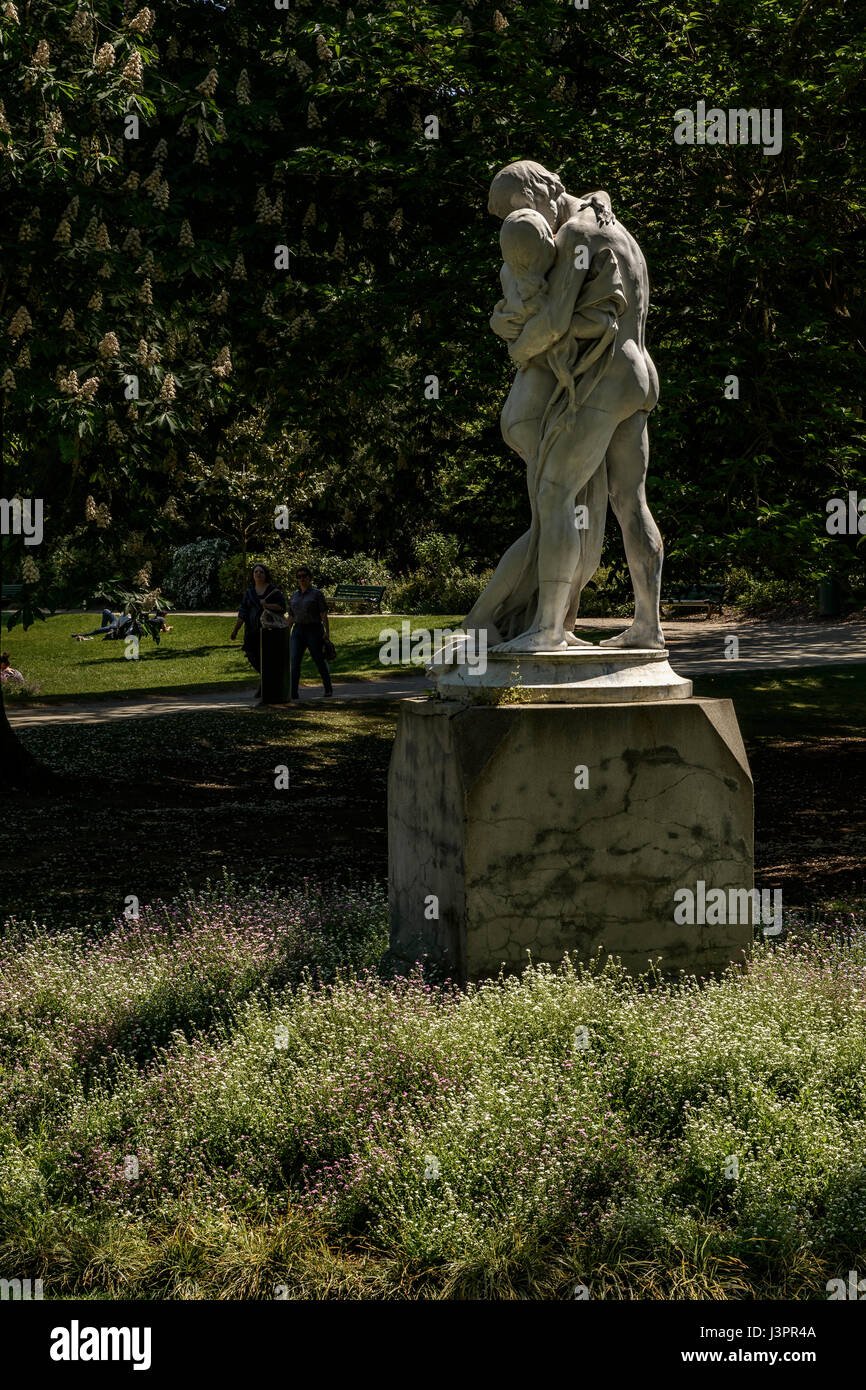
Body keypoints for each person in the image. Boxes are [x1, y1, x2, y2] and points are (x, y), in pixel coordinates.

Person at [463, 160, 664, 654]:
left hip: (604, 378)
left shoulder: (577, 232)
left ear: (547, 189)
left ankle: (550, 630)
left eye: (523, 211)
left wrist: (517, 346)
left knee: (555, 492)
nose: (524, 228)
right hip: (638, 377)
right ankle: (647, 625)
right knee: (629, 502)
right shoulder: (616, 228)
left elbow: (553, 324)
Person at [230, 564, 287, 698]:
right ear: (252, 575)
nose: (258, 574)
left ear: (265, 574)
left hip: (268, 631)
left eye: (261, 572)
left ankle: (265, 685)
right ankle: (266, 679)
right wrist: (235, 630)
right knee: (251, 654)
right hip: (251, 630)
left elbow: (282, 607)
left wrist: (266, 605)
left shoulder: (273, 591)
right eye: (256, 572)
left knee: (266, 657)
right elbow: (243, 612)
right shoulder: (249, 593)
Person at [288, 566, 333, 702]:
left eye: (304, 576)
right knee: (295, 661)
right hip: (297, 630)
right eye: (299, 576)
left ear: (309, 578)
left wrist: (326, 632)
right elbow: (290, 616)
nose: (302, 579)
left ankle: (328, 688)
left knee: (319, 660)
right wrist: (284, 631)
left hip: (314, 630)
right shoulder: (294, 595)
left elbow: (323, 614)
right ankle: (293, 692)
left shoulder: (316, 594)